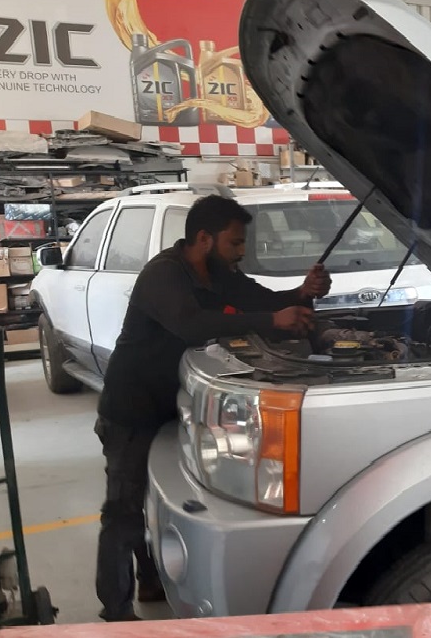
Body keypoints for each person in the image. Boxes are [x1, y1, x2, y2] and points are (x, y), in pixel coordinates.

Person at [94, 195, 331, 622]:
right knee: (123, 508)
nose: (241, 252)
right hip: (132, 408)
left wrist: (302, 294)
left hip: (176, 403)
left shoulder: (221, 274)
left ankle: (150, 580)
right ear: (204, 238)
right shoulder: (164, 274)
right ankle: (116, 612)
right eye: (234, 242)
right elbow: (191, 324)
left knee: (155, 499)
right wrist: (272, 321)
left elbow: (262, 302)